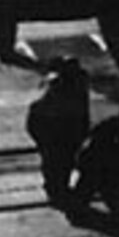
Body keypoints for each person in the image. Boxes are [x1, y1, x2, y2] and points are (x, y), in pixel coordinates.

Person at [24, 55, 91, 211]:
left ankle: (58, 189)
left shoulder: (70, 84)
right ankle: (58, 189)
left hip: (61, 126)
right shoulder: (73, 84)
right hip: (58, 126)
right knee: (59, 161)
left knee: (58, 161)